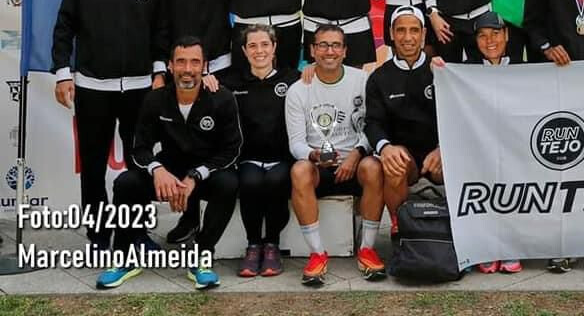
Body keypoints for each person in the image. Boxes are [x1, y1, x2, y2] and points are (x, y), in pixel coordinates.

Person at [52, 0, 168, 249]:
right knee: (92, 165)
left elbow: (161, 32)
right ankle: (98, 234)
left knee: (140, 163)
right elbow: (64, 28)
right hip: (92, 89)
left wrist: (159, 73)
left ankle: (137, 232)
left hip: (139, 90)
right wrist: (62, 74)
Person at [96, 37, 241, 290]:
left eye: (195, 62)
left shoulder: (222, 98)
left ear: (204, 66)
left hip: (203, 174)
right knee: (126, 182)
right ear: (170, 66)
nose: (188, 69)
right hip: (169, 170)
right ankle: (123, 257)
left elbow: (231, 149)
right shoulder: (155, 99)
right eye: (181, 62)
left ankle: (202, 258)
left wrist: (196, 176)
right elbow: (139, 148)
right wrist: (157, 170)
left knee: (228, 183)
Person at [152, 0, 233, 245]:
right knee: (184, 148)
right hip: (181, 74)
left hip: (222, 69)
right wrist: (160, 70)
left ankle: (217, 224)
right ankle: (187, 218)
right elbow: (158, 26)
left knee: (217, 146)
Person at [285, 24, 387, 285]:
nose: (329, 51)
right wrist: (314, 155)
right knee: (298, 170)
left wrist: (357, 152)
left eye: (335, 45)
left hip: (355, 162)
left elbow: (372, 126)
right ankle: (318, 254)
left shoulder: (362, 81)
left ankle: (367, 249)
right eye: (322, 45)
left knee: (374, 167)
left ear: (345, 51)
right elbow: (296, 143)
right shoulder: (298, 90)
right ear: (312, 50)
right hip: (320, 166)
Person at [433, 11, 522, 274]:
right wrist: (437, 67)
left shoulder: (525, 68)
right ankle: (485, 246)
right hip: (478, 148)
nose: (490, 41)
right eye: (482, 36)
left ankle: (511, 246)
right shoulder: (465, 70)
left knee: (516, 190)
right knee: (481, 192)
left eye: (495, 33)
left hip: (516, 148)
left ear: (506, 35)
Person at [220, 25, 299, 277]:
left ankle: (272, 245)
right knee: (250, 183)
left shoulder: (293, 79)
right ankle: (253, 245)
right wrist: (209, 80)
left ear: (274, 47)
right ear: (244, 51)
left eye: (265, 44)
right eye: (252, 46)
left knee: (276, 181)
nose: (259, 51)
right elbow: (209, 89)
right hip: (249, 159)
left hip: (282, 159)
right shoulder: (231, 83)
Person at [364, 6, 442, 238]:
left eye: (414, 30)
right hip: (404, 157)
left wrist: (443, 148)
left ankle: (460, 227)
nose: (407, 38)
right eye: (401, 31)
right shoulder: (379, 77)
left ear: (424, 34)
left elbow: (459, 117)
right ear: (391, 33)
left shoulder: (440, 70)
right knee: (394, 162)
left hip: (437, 157)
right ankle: (401, 227)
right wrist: (385, 147)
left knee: (464, 162)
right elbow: (372, 122)